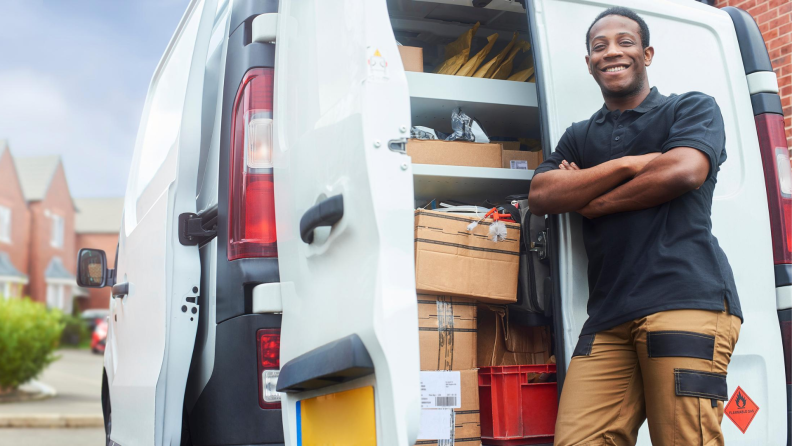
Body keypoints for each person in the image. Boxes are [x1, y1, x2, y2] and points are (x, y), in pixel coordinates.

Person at [528, 7, 742, 446]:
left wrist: (592, 199)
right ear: (588, 62)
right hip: (608, 316)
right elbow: (543, 195)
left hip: (684, 297)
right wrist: (628, 163)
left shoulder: (691, 108)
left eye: (624, 42)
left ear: (646, 53)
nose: (611, 52)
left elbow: (683, 171)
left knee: (685, 440)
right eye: (598, 46)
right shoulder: (579, 135)